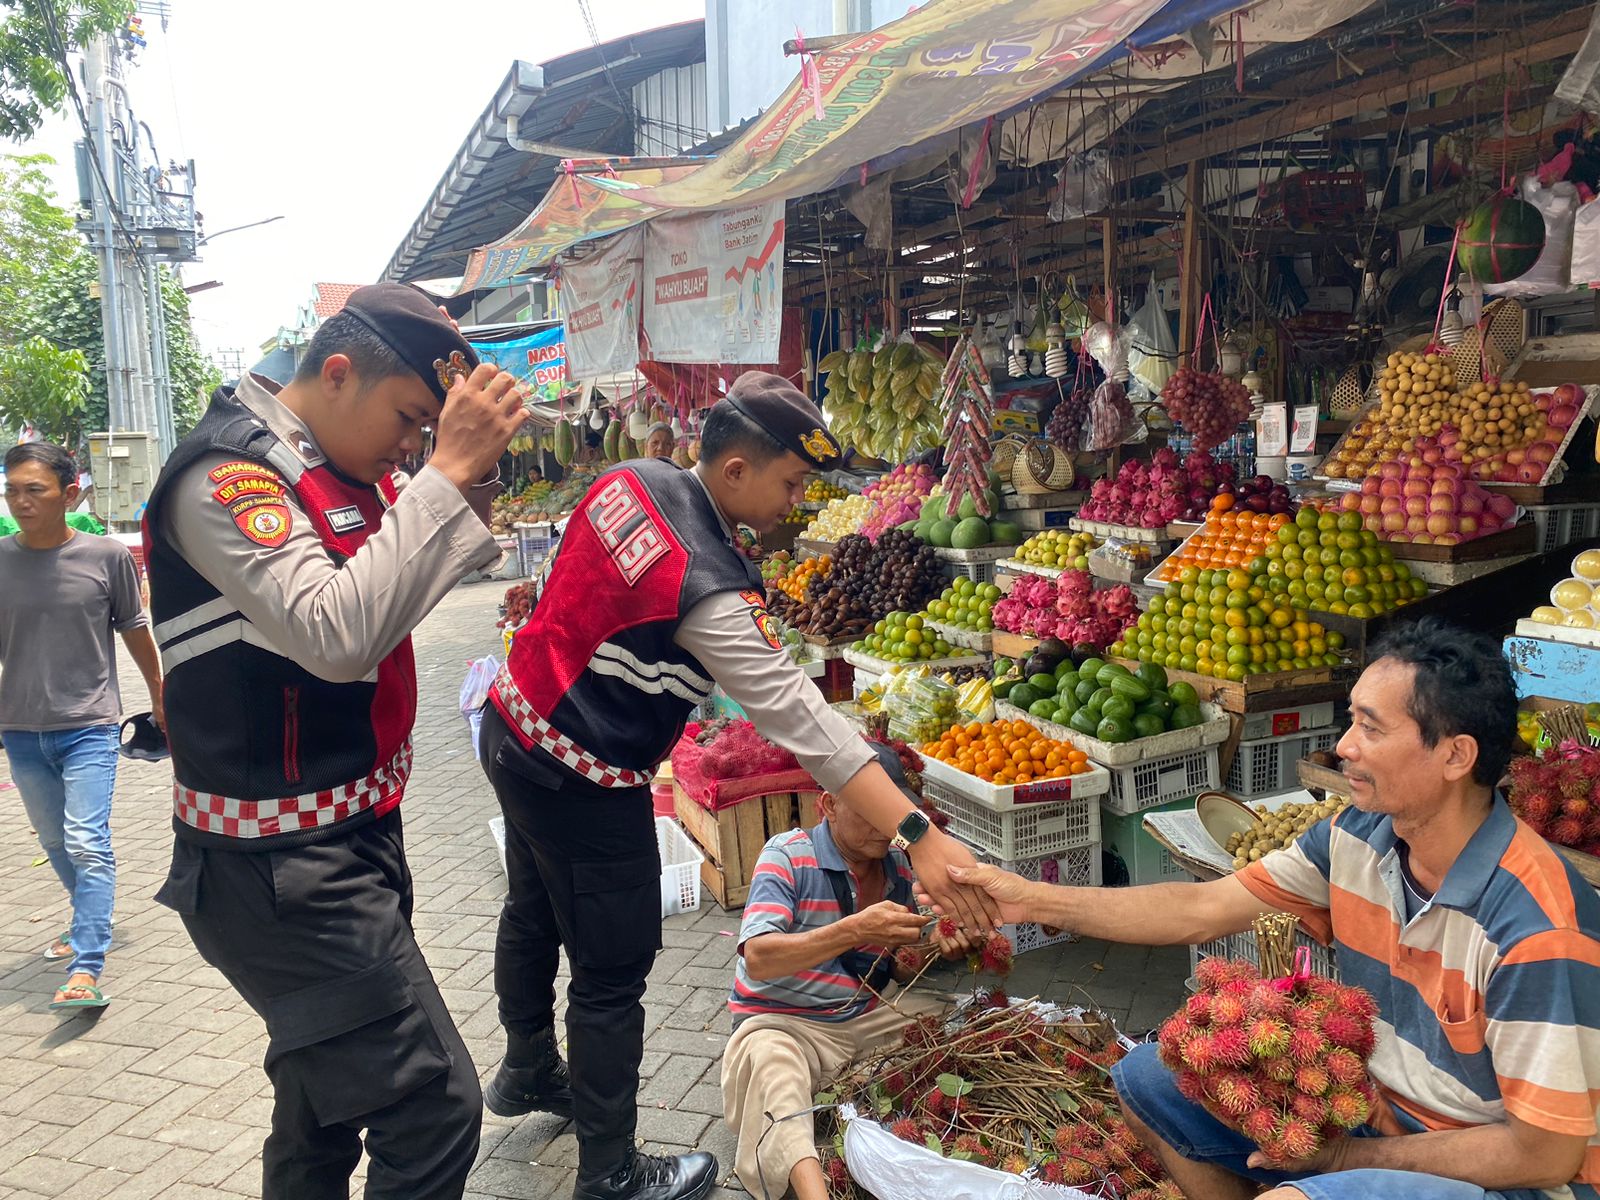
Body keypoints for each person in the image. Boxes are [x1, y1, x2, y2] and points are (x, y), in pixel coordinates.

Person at [479, 370, 997, 1200]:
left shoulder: (632, 480)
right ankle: (609, 1170)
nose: (796, 500)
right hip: (584, 773)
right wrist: (919, 834)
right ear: (734, 473)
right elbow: (805, 719)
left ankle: (527, 1066)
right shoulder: (707, 581)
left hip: (512, 727)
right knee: (613, 969)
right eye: (791, 482)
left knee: (533, 907)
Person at [945, 618, 1600, 1200]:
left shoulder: (1538, 927)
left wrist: (1348, 1158)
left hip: (1506, 1178)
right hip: (1378, 1111)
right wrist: (1026, 897)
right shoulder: (1358, 838)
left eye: (1370, 727)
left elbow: (1543, 1152)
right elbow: (1199, 908)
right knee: (1150, 1076)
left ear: (1456, 755)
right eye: (1352, 721)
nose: (1343, 746)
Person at [145, 284, 530, 1200]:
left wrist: (446, 488)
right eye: (410, 418)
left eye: (428, 429)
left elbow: (388, 602)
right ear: (338, 370)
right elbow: (336, 634)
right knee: (433, 1108)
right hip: (279, 872)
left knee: (321, 1106)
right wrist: (441, 481)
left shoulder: (337, 473)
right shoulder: (228, 476)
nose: (414, 445)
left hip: (344, 845)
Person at [721, 742, 975, 1200]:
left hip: (861, 1015)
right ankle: (813, 1190)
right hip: (782, 1022)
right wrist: (854, 927)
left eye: (891, 812)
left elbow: (895, 965)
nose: (884, 824)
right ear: (829, 805)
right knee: (774, 1065)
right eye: (869, 809)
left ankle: (876, 1114)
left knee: (956, 1022)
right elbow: (757, 957)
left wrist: (942, 947)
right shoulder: (786, 856)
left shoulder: (899, 867)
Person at [0, 442, 163, 1011]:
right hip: (19, 729)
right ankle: (89, 919)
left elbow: (135, 629)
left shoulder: (106, 557)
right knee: (54, 842)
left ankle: (86, 966)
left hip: (89, 725)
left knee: (86, 841)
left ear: (70, 494)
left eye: (34, 489)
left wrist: (162, 697)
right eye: (12, 489)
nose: (21, 501)